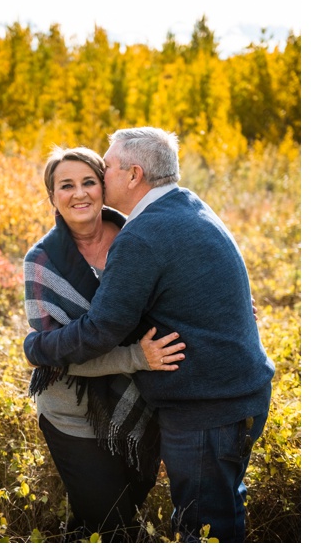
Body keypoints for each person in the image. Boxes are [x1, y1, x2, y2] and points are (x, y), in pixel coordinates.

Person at [24, 128, 275, 542]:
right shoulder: (189, 205)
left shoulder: (142, 235)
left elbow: (102, 329)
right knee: (221, 512)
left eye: (104, 169)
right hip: (234, 395)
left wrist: (39, 349)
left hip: (209, 408)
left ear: (134, 174)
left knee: (204, 528)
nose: (99, 178)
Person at [24, 146, 185, 541]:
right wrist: (135, 357)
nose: (79, 194)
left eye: (88, 182)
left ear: (104, 186)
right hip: (71, 414)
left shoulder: (139, 237)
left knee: (103, 517)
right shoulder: (42, 262)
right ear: (52, 198)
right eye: (66, 185)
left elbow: (184, 289)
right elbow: (57, 356)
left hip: (142, 402)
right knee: (115, 526)